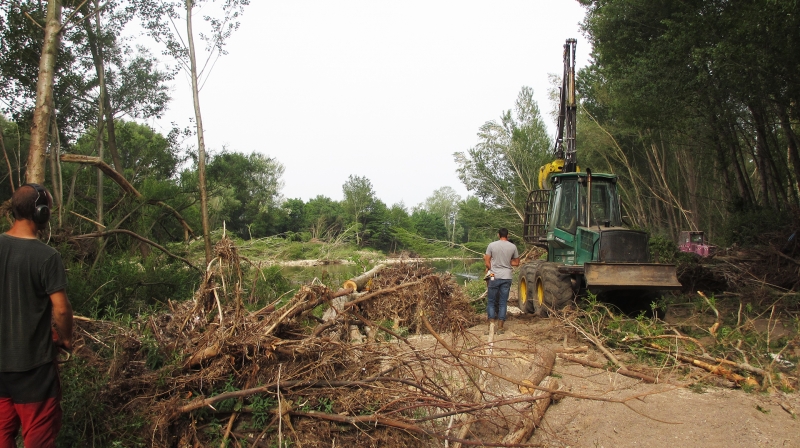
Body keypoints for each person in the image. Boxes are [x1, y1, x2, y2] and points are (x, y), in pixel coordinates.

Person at [0, 183, 73, 447]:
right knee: (38, 438)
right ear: (41, 213)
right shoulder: (46, 256)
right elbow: (62, 309)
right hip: (32, 368)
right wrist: (66, 338)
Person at [484, 228, 519, 335]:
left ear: (498, 235)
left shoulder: (492, 245)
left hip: (494, 275)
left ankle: (491, 325)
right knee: (503, 302)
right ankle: (500, 327)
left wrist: (491, 268)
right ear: (507, 235)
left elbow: (487, 260)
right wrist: (507, 263)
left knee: (491, 301)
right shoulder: (513, 246)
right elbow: (517, 262)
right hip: (507, 276)